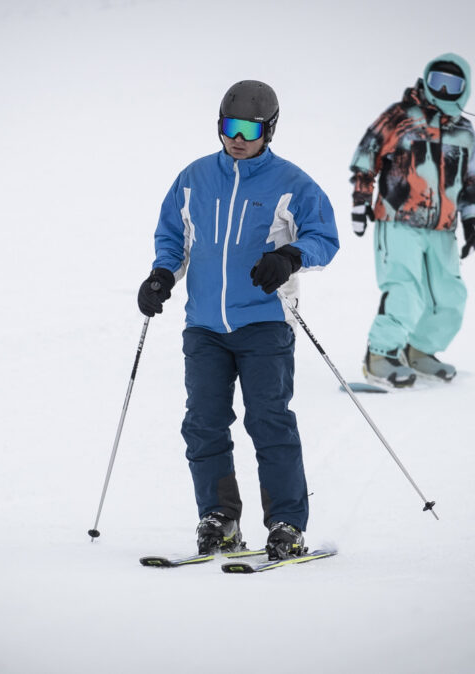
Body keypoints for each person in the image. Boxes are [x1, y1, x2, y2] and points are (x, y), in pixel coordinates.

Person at [137, 80, 339, 560]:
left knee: (269, 422)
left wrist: (290, 256)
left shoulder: (292, 182)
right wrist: (161, 276)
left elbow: (323, 237)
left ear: (269, 129)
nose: (238, 137)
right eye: (230, 127)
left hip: (265, 323)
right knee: (203, 423)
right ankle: (220, 518)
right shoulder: (194, 178)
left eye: (249, 128)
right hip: (204, 325)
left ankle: (287, 524)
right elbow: (173, 237)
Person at [349, 53, 475, 387]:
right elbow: (368, 153)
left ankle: (419, 349)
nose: (442, 89)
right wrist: (361, 198)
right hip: (398, 220)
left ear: (464, 90)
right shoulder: (401, 117)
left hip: (442, 228)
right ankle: (380, 355)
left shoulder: (464, 131)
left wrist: (470, 220)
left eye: (452, 84)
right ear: (425, 79)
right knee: (405, 290)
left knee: (449, 297)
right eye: (437, 80)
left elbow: (472, 181)